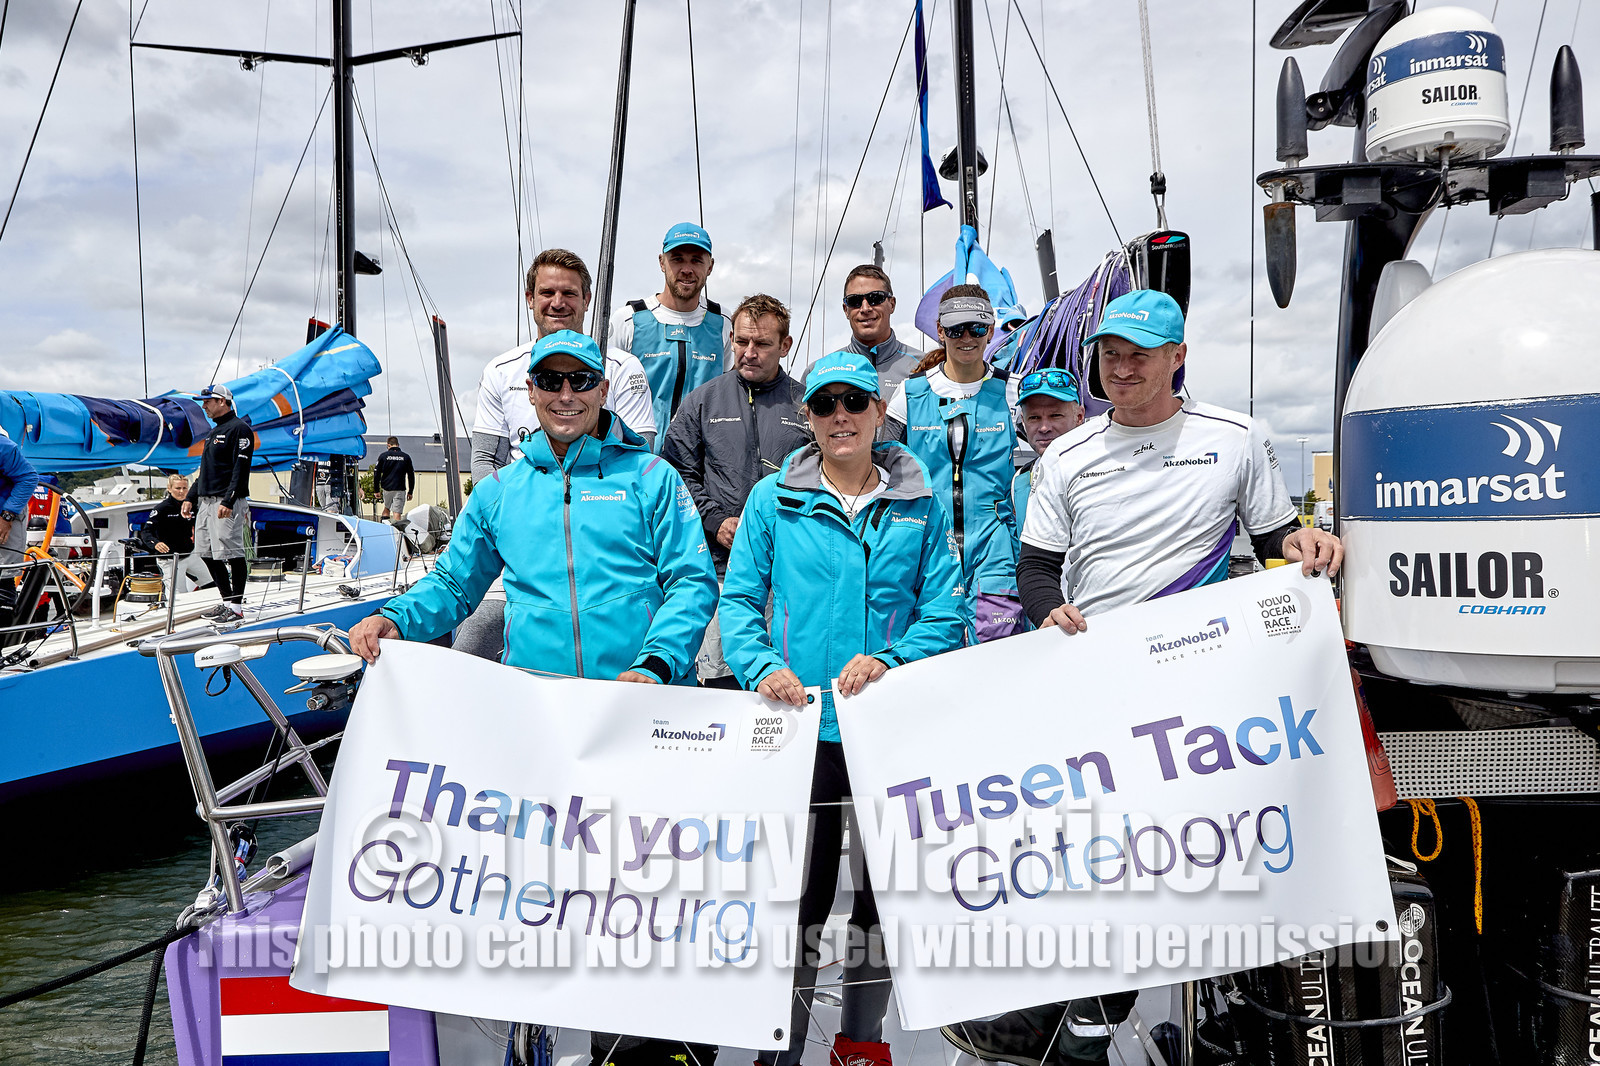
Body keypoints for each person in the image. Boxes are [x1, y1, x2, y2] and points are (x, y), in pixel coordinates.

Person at [945, 290, 1342, 1066]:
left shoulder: (1236, 438)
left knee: (1192, 860)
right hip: (1092, 686)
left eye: (1139, 355)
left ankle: (1188, 1022)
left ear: (1178, 358)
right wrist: (1048, 612)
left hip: (1193, 687)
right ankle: (1084, 1025)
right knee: (1100, 865)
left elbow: (1270, 541)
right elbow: (1036, 568)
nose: (1121, 369)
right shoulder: (1067, 454)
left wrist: (1306, 547)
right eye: (1110, 354)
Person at [350, 329, 718, 1066]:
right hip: (543, 723)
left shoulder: (650, 480)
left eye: (580, 381)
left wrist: (654, 662)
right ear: (531, 393)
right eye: (550, 381)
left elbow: (692, 581)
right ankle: (544, 1040)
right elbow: (455, 584)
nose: (565, 395)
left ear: (603, 391)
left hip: (639, 712)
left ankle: (659, 1046)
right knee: (557, 892)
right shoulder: (501, 492)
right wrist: (397, 618)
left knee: (649, 891)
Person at [719, 353, 968, 1066]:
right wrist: (763, 667)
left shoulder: (920, 499)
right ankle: (782, 1049)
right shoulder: (774, 498)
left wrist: (890, 660)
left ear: (877, 412)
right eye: (824, 404)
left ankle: (861, 1045)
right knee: (800, 899)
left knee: (884, 898)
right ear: (809, 417)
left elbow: (943, 611)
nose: (839, 417)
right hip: (805, 734)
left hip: (889, 732)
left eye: (853, 403)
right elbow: (739, 605)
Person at [463, 248, 657, 662]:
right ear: (529, 298)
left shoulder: (624, 368)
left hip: (603, 539)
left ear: (587, 299)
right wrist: (518, 532)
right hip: (519, 536)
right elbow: (484, 462)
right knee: (470, 643)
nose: (558, 302)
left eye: (569, 292)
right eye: (547, 291)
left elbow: (642, 462)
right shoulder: (500, 370)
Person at [661, 293, 811, 688]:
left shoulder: (807, 405)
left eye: (762, 344)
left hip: (790, 576)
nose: (749, 352)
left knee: (785, 684)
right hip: (722, 572)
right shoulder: (702, 400)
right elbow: (676, 472)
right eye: (741, 341)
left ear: (785, 345)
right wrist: (714, 520)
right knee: (723, 690)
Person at [884, 285, 1024, 643]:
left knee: (997, 652)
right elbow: (880, 469)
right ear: (940, 329)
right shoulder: (910, 393)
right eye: (956, 329)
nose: (966, 338)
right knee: (931, 654)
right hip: (929, 549)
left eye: (977, 329)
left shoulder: (1014, 392)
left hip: (996, 553)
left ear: (990, 330)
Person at [607, 222, 731, 440]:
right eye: (677, 259)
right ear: (662, 262)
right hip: (639, 459)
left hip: (700, 463)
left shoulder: (723, 322)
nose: (686, 269)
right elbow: (605, 393)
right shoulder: (628, 320)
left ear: (710, 266)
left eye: (696, 260)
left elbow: (731, 394)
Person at [192, 384, 254, 624]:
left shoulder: (239, 429)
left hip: (225, 500)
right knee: (206, 553)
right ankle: (227, 600)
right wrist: (190, 498)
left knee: (232, 551)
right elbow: (206, 471)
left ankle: (236, 606)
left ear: (221, 401)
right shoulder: (214, 432)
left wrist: (229, 499)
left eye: (207, 402)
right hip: (206, 501)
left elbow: (241, 468)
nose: (204, 406)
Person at [812, 265, 922, 399]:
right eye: (855, 301)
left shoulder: (926, 367)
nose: (865, 308)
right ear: (845, 310)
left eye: (875, 298)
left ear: (892, 304)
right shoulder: (818, 372)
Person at [1009, 368, 1084, 546]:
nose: (1044, 427)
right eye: (1034, 418)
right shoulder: (1020, 480)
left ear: (1079, 416)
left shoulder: (1103, 469)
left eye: (1055, 416)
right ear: (1023, 421)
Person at [141, 473, 210, 594]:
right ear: (170, 489)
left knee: (213, 584)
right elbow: (146, 532)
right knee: (179, 595)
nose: (181, 491)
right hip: (170, 559)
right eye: (178, 488)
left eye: (184, 488)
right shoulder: (161, 509)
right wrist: (156, 544)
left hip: (190, 554)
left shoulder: (192, 507)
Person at [0, 427, 40, 619]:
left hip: (5, 516)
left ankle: (4, 642)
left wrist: (7, 516)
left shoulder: (2, 446)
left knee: (2, 577)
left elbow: (28, 477)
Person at [374, 437, 415, 522]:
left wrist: (376, 490)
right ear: (398, 445)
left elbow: (377, 474)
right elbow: (411, 475)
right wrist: (410, 491)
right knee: (397, 512)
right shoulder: (406, 457)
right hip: (399, 488)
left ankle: (384, 526)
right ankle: (396, 532)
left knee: (387, 507)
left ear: (388, 445)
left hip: (387, 488)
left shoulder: (383, 456)